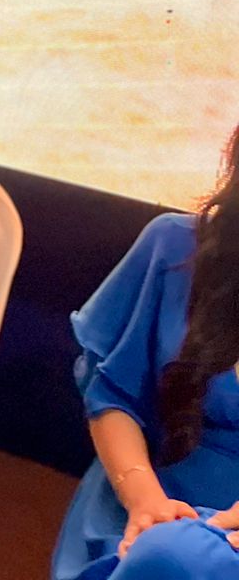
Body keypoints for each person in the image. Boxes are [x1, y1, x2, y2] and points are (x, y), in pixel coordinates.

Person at [52, 123, 239, 579]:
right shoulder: (174, 247)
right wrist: (145, 502)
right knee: (170, 557)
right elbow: (110, 395)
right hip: (146, 513)